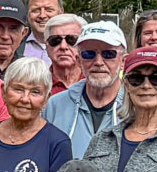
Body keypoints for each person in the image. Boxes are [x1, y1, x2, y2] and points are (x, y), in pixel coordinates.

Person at [46, 20, 127, 155]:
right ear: (79, 61)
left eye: (108, 54)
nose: (98, 62)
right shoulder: (55, 105)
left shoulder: (137, 106)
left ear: (123, 61)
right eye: (89, 54)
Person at [41, 12, 85, 88]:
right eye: (55, 40)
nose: (63, 46)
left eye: (72, 40)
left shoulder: (95, 82)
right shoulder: (37, 83)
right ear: (46, 47)